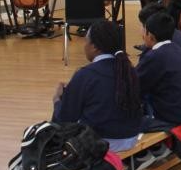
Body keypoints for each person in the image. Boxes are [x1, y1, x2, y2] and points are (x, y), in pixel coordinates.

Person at [52, 19, 141, 152]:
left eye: (86, 41)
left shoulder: (86, 75)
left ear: (94, 46)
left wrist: (57, 100)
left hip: (102, 141)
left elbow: (65, 119)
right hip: (131, 137)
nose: (84, 45)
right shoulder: (129, 69)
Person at [134, 11, 181, 134]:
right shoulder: (176, 48)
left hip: (170, 117)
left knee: (124, 123)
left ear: (150, 35)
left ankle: (153, 148)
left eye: (143, 29)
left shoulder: (156, 56)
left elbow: (135, 84)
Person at [139, 2, 181, 107]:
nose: (141, 30)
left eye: (143, 26)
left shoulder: (163, 43)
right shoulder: (173, 34)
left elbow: (142, 77)